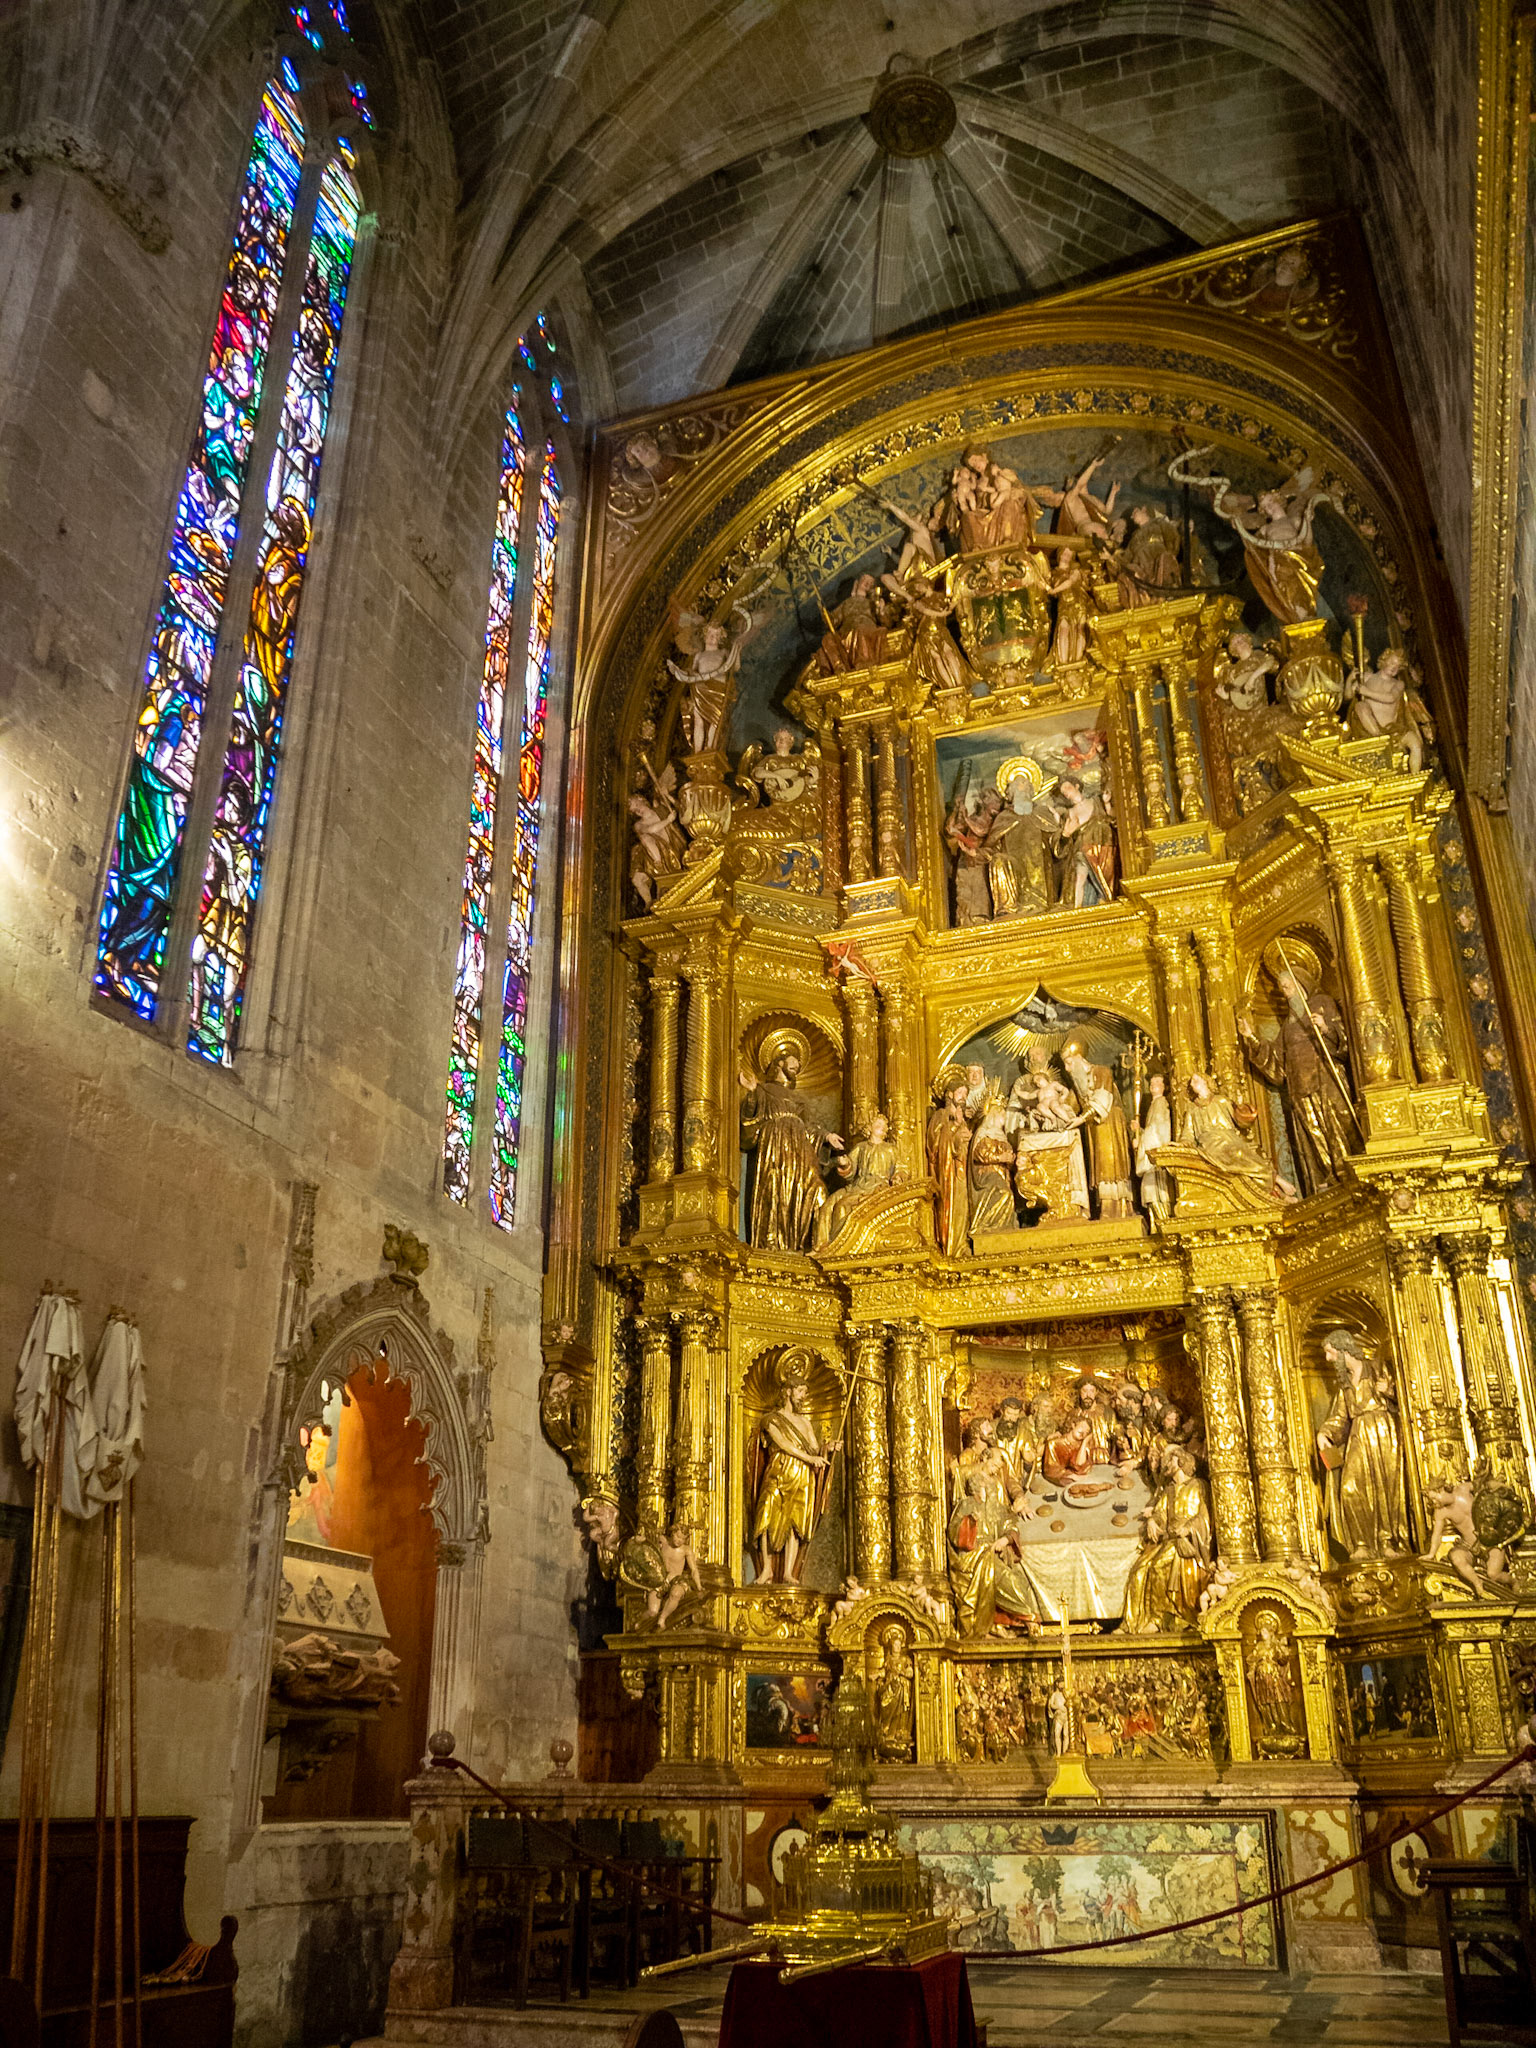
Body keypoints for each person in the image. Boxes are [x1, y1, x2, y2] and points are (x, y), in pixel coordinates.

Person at [739, 1034, 844, 1250]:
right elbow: (750, 1121)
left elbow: (809, 1128)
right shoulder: (763, 1090)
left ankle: (806, 1243)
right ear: (779, 1062)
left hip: (800, 1149)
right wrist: (751, 1094)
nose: (797, 1066)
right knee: (776, 1187)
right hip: (775, 1142)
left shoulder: (800, 1100)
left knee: (815, 1187)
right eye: (793, 1061)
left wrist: (826, 1136)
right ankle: (773, 1243)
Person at [1315, 1327, 1408, 1559]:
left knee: (1385, 1486)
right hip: (1358, 1434)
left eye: (1330, 1352)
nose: (1328, 1359)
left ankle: (1388, 1542)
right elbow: (1340, 1417)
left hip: (1383, 1431)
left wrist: (1391, 1392)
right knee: (1350, 1488)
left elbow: (1409, 1394)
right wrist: (1323, 1433)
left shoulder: (1376, 1368)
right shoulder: (1345, 1385)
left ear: (1343, 1348)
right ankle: (1362, 1543)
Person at [750, 1380, 830, 1582]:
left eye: (805, 1391)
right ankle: (766, 1569)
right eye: (800, 1391)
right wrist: (810, 1458)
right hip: (778, 1470)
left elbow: (813, 1448)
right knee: (766, 1514)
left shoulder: (805, 1422)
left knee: (795, 1521)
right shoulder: (771, 1419)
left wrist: (827, 1448)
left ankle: (787, 1572)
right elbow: (782, 1443)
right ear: (787, 1392)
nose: (803, 1396)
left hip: (801, 1474)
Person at [1063, 1038, 1134, 1219]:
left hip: (1109, 1122)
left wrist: (1081, 1119)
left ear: (1079, 1058)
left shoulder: (1102, 1072)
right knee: (1100, 1166)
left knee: (1111, 1164)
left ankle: (1118, 1209)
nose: (1067, 1069)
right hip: (1094, 1127)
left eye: (1069, 1063)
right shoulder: (1078, 1086)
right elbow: (1068, 1106)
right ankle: (1105, 1207)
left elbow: (1102, 1098)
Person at [814, 1112, 897, 1246]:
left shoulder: (890, 1149)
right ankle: (821, 1246)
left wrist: (898, 1177)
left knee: (841, 1207)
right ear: (870, 1127)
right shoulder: (860, 1147)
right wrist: (845, 1163)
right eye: (878, 1123)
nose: (881, 1127)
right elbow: (851, 1171)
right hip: (856, 1186)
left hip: (875, 1187)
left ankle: (838, 1246)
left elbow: (901, 1169)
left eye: (884, 1125)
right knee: (827, 1206)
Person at [927, 1068, 972, 1257]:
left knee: (963, 1205)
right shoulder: (941, 1115)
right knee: (950, 1203)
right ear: (950, 1094)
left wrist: (964, 1132)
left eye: (965, 1093)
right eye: (960, 1092)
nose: (963, 1096)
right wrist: (954, 1137)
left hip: (962, 1168)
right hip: (947, 1169)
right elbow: (933, 1143)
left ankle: (961, 1244)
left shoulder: (963, 1120)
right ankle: (951, 1247)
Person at [1133, 1070, 1173, 1222]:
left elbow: (1159, 1129)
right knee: (1149, 1192)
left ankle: (1161, 1222)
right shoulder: (1154, 1104)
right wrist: (1139, 1130)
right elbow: (1152, 1129)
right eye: (1151, 1083)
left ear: (1164, 1087)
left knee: (1156, 1192)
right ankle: (1155, 1223)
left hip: (1155, 1155)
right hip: (1150, 1155)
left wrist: (1141, 1137)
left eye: (1158, 1083)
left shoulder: (1161, 1103)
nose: (1153, 1086)